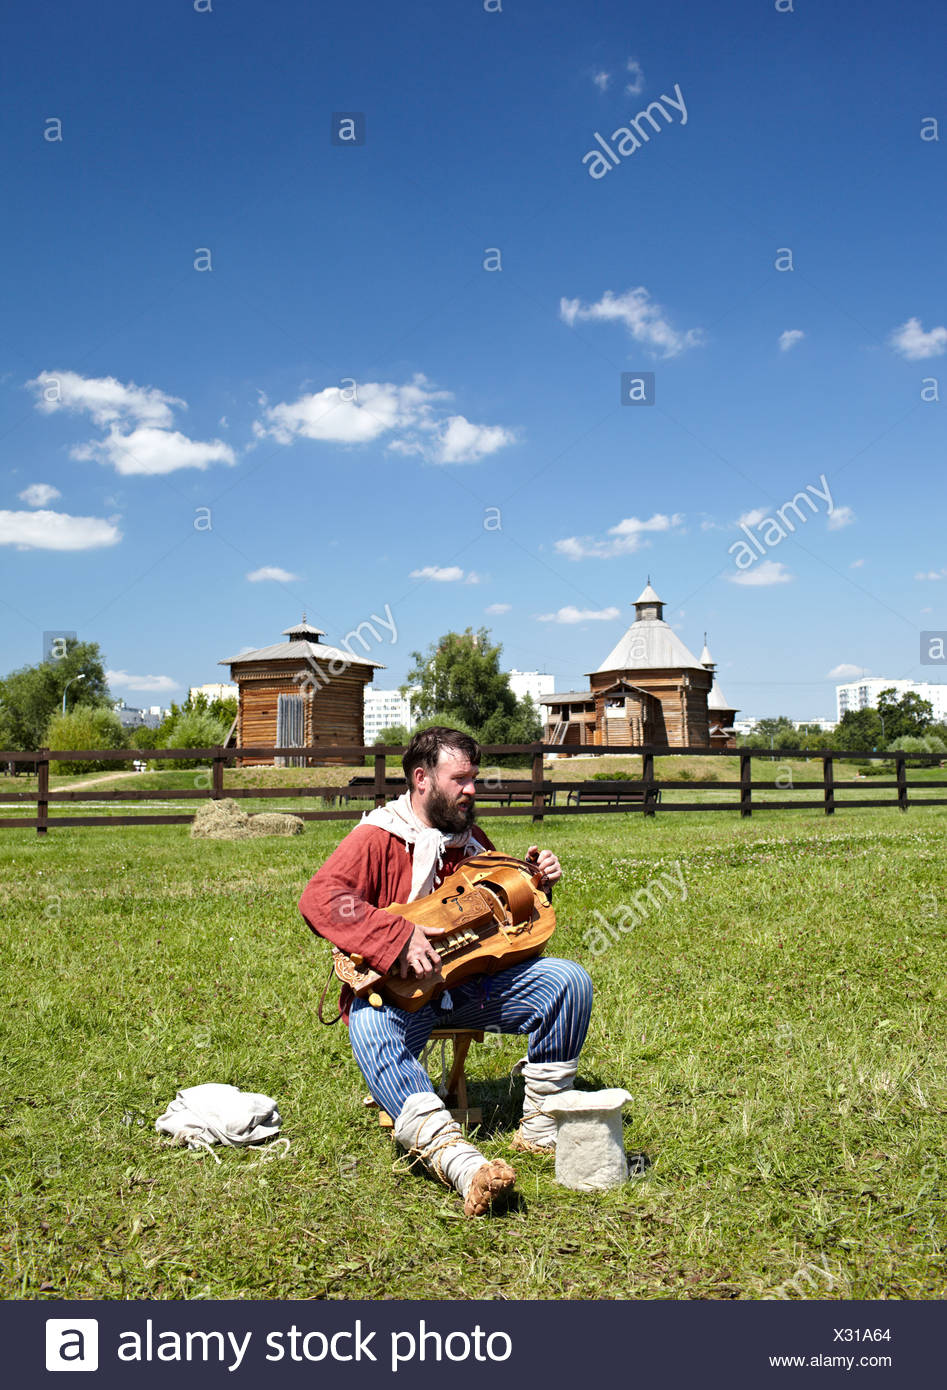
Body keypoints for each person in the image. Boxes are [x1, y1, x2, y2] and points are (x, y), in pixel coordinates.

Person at [298, 726, 593, 1216]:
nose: (471, 790)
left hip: (472, 988)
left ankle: (542, 1126)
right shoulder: (377, 836)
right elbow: (319, 899)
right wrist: (396, 937)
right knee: (370, 1024)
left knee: (568, 982)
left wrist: (535, 880)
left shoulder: (471, 837)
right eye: (460, 779)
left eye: (474, 778)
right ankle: (459, 1162)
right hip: (403, 998)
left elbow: (493, 915)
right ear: (421, 779)